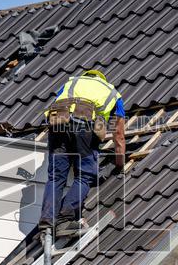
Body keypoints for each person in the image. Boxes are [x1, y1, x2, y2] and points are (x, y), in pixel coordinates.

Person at [39, 70, 127, 233]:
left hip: (58, 123)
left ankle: (46, 220)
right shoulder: (113, 94)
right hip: (83, 127)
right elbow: (119, 134)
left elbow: (57, 103)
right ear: (102, 80)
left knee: (56, 176)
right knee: (85, 175)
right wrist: (120, 163)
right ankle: (65, 219)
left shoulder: (71, 82)